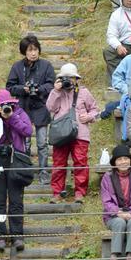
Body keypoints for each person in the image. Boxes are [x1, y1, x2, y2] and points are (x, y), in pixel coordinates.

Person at [0, 88, 33, 252]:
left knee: (16, 200)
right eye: (1, 105)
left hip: (15, 160)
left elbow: (28, 131)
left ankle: (17, 235)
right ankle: (0, 236)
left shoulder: (19, 113)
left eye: (7, 104)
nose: (5, 107)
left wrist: (11, 117)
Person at [45, 63, 98, 203]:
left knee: (80, 163)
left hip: (80, 133)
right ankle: (57, 192)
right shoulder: (57, 92)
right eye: (65, 77)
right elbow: (50, 108)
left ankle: (80, 192)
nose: (68, 80)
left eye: (71, 77)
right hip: (61, 133)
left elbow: (94, 109)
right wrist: (56, 91)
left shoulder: (84, 92)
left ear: (76, 79)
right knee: (59, 163)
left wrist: (89, 117)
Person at [6, 34, 55, 184]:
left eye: (35, 50)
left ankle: (43, 171)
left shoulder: (46, 65)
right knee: (25, 142)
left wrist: (39, 89)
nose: (33, 53)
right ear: (24, 52)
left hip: (41, 106)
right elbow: (9, 87)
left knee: (42, 143)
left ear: (39, 50)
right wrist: (23, 89)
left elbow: (51, 84)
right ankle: (25, 170)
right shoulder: (17, 67)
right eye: (29, 50)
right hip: (23, 107)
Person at [100, 143, 131, 260]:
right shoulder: (107, 177)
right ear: (114, 162)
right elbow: (106, 201)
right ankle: (114, 258)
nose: (123, 162)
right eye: (119, 159)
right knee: (119, 222)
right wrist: (118, 212)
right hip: (113, 215)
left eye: (126, 158)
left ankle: (130, 258)